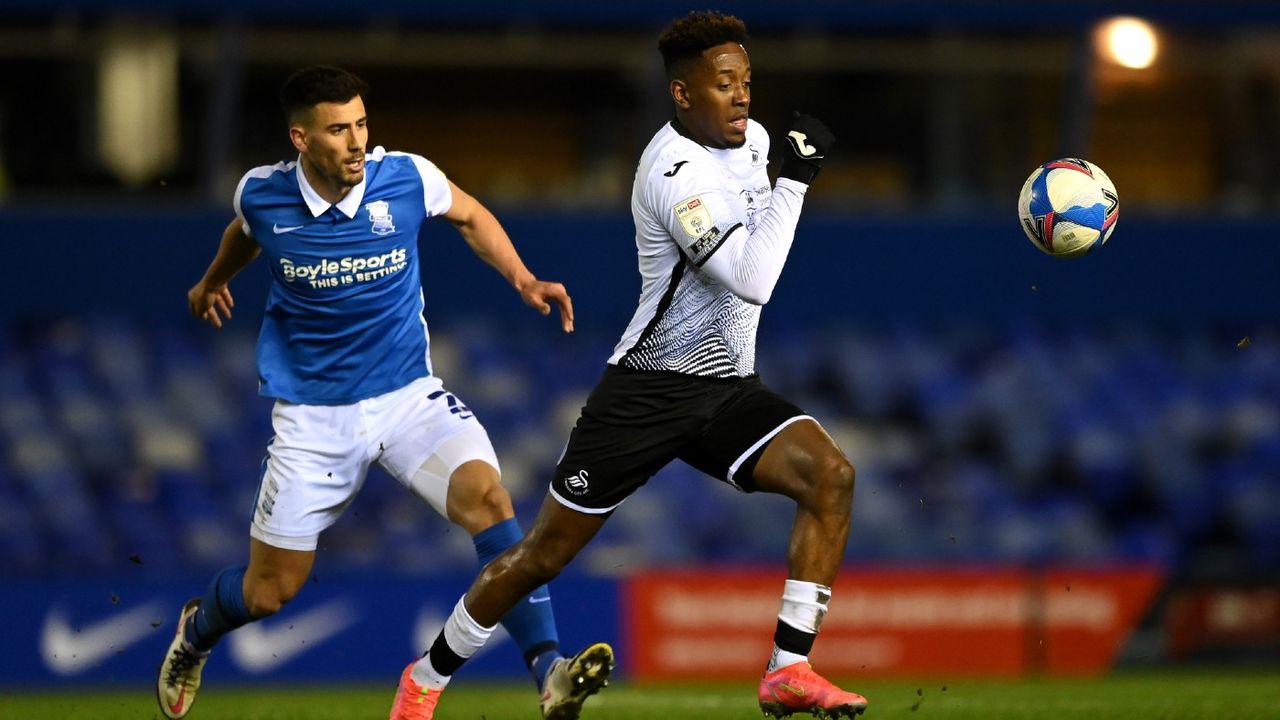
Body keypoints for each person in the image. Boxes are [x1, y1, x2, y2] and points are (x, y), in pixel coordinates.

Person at [404, 10, 868, 720]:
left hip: (724, 388)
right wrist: (796, 182)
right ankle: (425, 681)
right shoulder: (673, 173)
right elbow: (752, 279)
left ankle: (788, 669)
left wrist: (783, 175)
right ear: (683, 95)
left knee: (831, 476)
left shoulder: (756, 142)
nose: (742, 95)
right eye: (723, 84)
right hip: (645, 394)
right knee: (541, 558)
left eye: (746, 80)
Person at [155, 65, 611, 720]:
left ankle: (549, 674)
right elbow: (245, 234)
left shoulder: (407, 177)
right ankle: (196, 633)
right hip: (313, 419)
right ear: (301, 139)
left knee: (490, 499)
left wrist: (522, 278)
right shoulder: (262, 195)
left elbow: (471, 212)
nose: (357, 141)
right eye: (338, 129)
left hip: (406, 398)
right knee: (267, 593)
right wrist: (211, 282)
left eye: (362, 123)